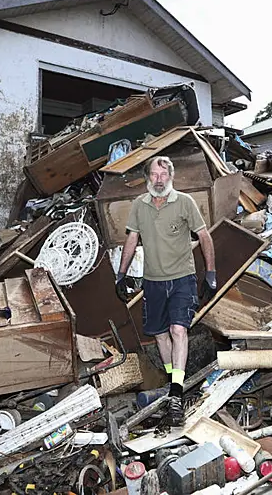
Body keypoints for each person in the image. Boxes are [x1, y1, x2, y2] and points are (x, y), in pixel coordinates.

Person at [115, 156, 217, 426]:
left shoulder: (185, 202)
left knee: (178, 330)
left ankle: (175, 392)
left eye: (163, 174)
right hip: (153, 281)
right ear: (148, 177)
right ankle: (175, 378)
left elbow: (204, 236)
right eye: (153, 174)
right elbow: (132, 239)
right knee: (160, 335)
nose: (158, 179)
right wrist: (121, 273)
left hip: (182, 278)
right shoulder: (139, 205)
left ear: (171, 176)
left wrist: (210, 273)